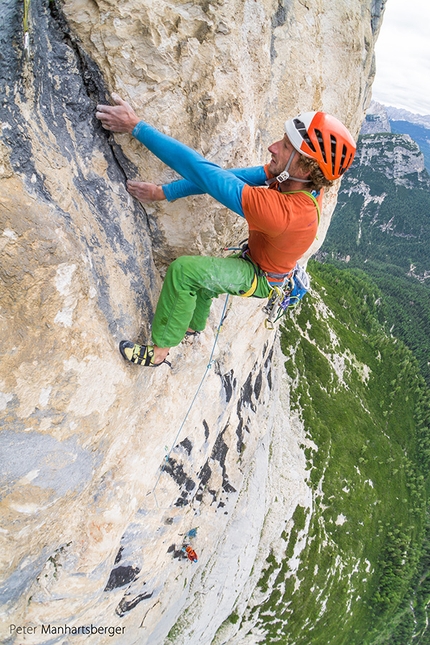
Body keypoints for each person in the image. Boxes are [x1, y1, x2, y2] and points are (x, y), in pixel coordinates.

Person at [96, 94, 356, 367]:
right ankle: (194, 327)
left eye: (286, 146)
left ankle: (159, 353)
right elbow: (220, 177)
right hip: (266, 264)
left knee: (184, 272)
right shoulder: (304, 182)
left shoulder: (282, 213)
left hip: (261, 277)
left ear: (306, 166)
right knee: (207, 284)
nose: (273, 147)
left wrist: (136, 127)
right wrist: (165, 192)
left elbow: (201, 171)